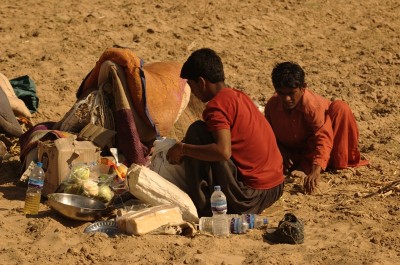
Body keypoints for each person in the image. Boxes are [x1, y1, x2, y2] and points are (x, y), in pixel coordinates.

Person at [166, 48, 284, 217]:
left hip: (250, 197)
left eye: (192, 86)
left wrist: (183, 149)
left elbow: (223, 151)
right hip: (276, 187)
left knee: (197, 132)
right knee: (203, 135)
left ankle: (202, 206)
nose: (193, 93)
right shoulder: (237, 96)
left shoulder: (217, 107)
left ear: (201, 82)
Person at [264, 61, 369, 194]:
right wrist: (280, 150)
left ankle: (319, 164)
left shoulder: (313, 106)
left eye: (291, 93)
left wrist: (315, 170)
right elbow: (267, 134)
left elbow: (323, 138)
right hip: (294, 152)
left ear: (303, 88)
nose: (286, 99)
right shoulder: (272, 105)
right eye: (281, 93)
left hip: (318, 149)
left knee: (340, 108)